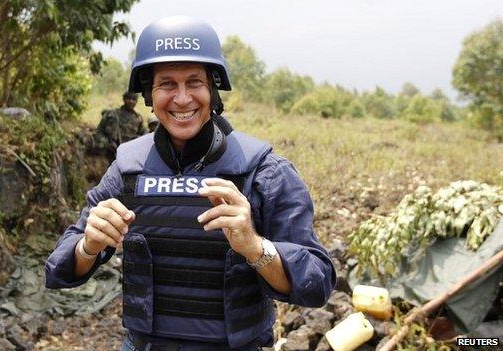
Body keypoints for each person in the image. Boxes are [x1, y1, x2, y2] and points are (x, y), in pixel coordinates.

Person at [46, 16, 335, 351]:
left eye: (194, 82)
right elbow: (59, 268)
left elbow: (317, 282)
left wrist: (255, 247)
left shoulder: (264, 171)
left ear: (213, 91)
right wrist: (89, 246)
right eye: (167, 84)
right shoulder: (127, 168)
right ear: (149, 96)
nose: (182, 99)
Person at [97, 91, 147, 159]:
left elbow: (144, 136)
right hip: (111, 153)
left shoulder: (138, 118)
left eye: (133, 99)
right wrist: (107, 143)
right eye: (128, 99)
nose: (131, 101)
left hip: (130, 153)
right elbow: (99, 130)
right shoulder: (112, 114)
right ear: (124, 99)